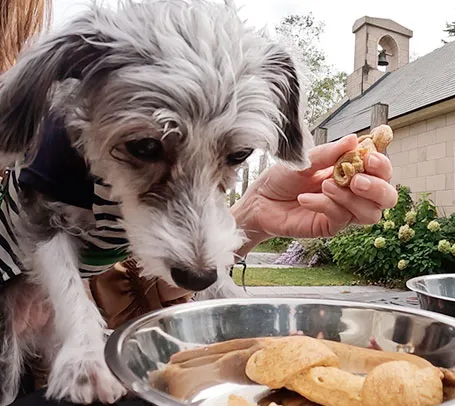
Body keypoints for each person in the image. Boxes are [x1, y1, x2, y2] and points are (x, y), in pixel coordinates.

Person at [2, 1, 398, 404]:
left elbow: (124, 261)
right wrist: (80, 332)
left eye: (236, 155)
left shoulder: (113, 140)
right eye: (145, 148)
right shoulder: (55, 143)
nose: (197, 237)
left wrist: (253, 212)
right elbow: (45, 229)